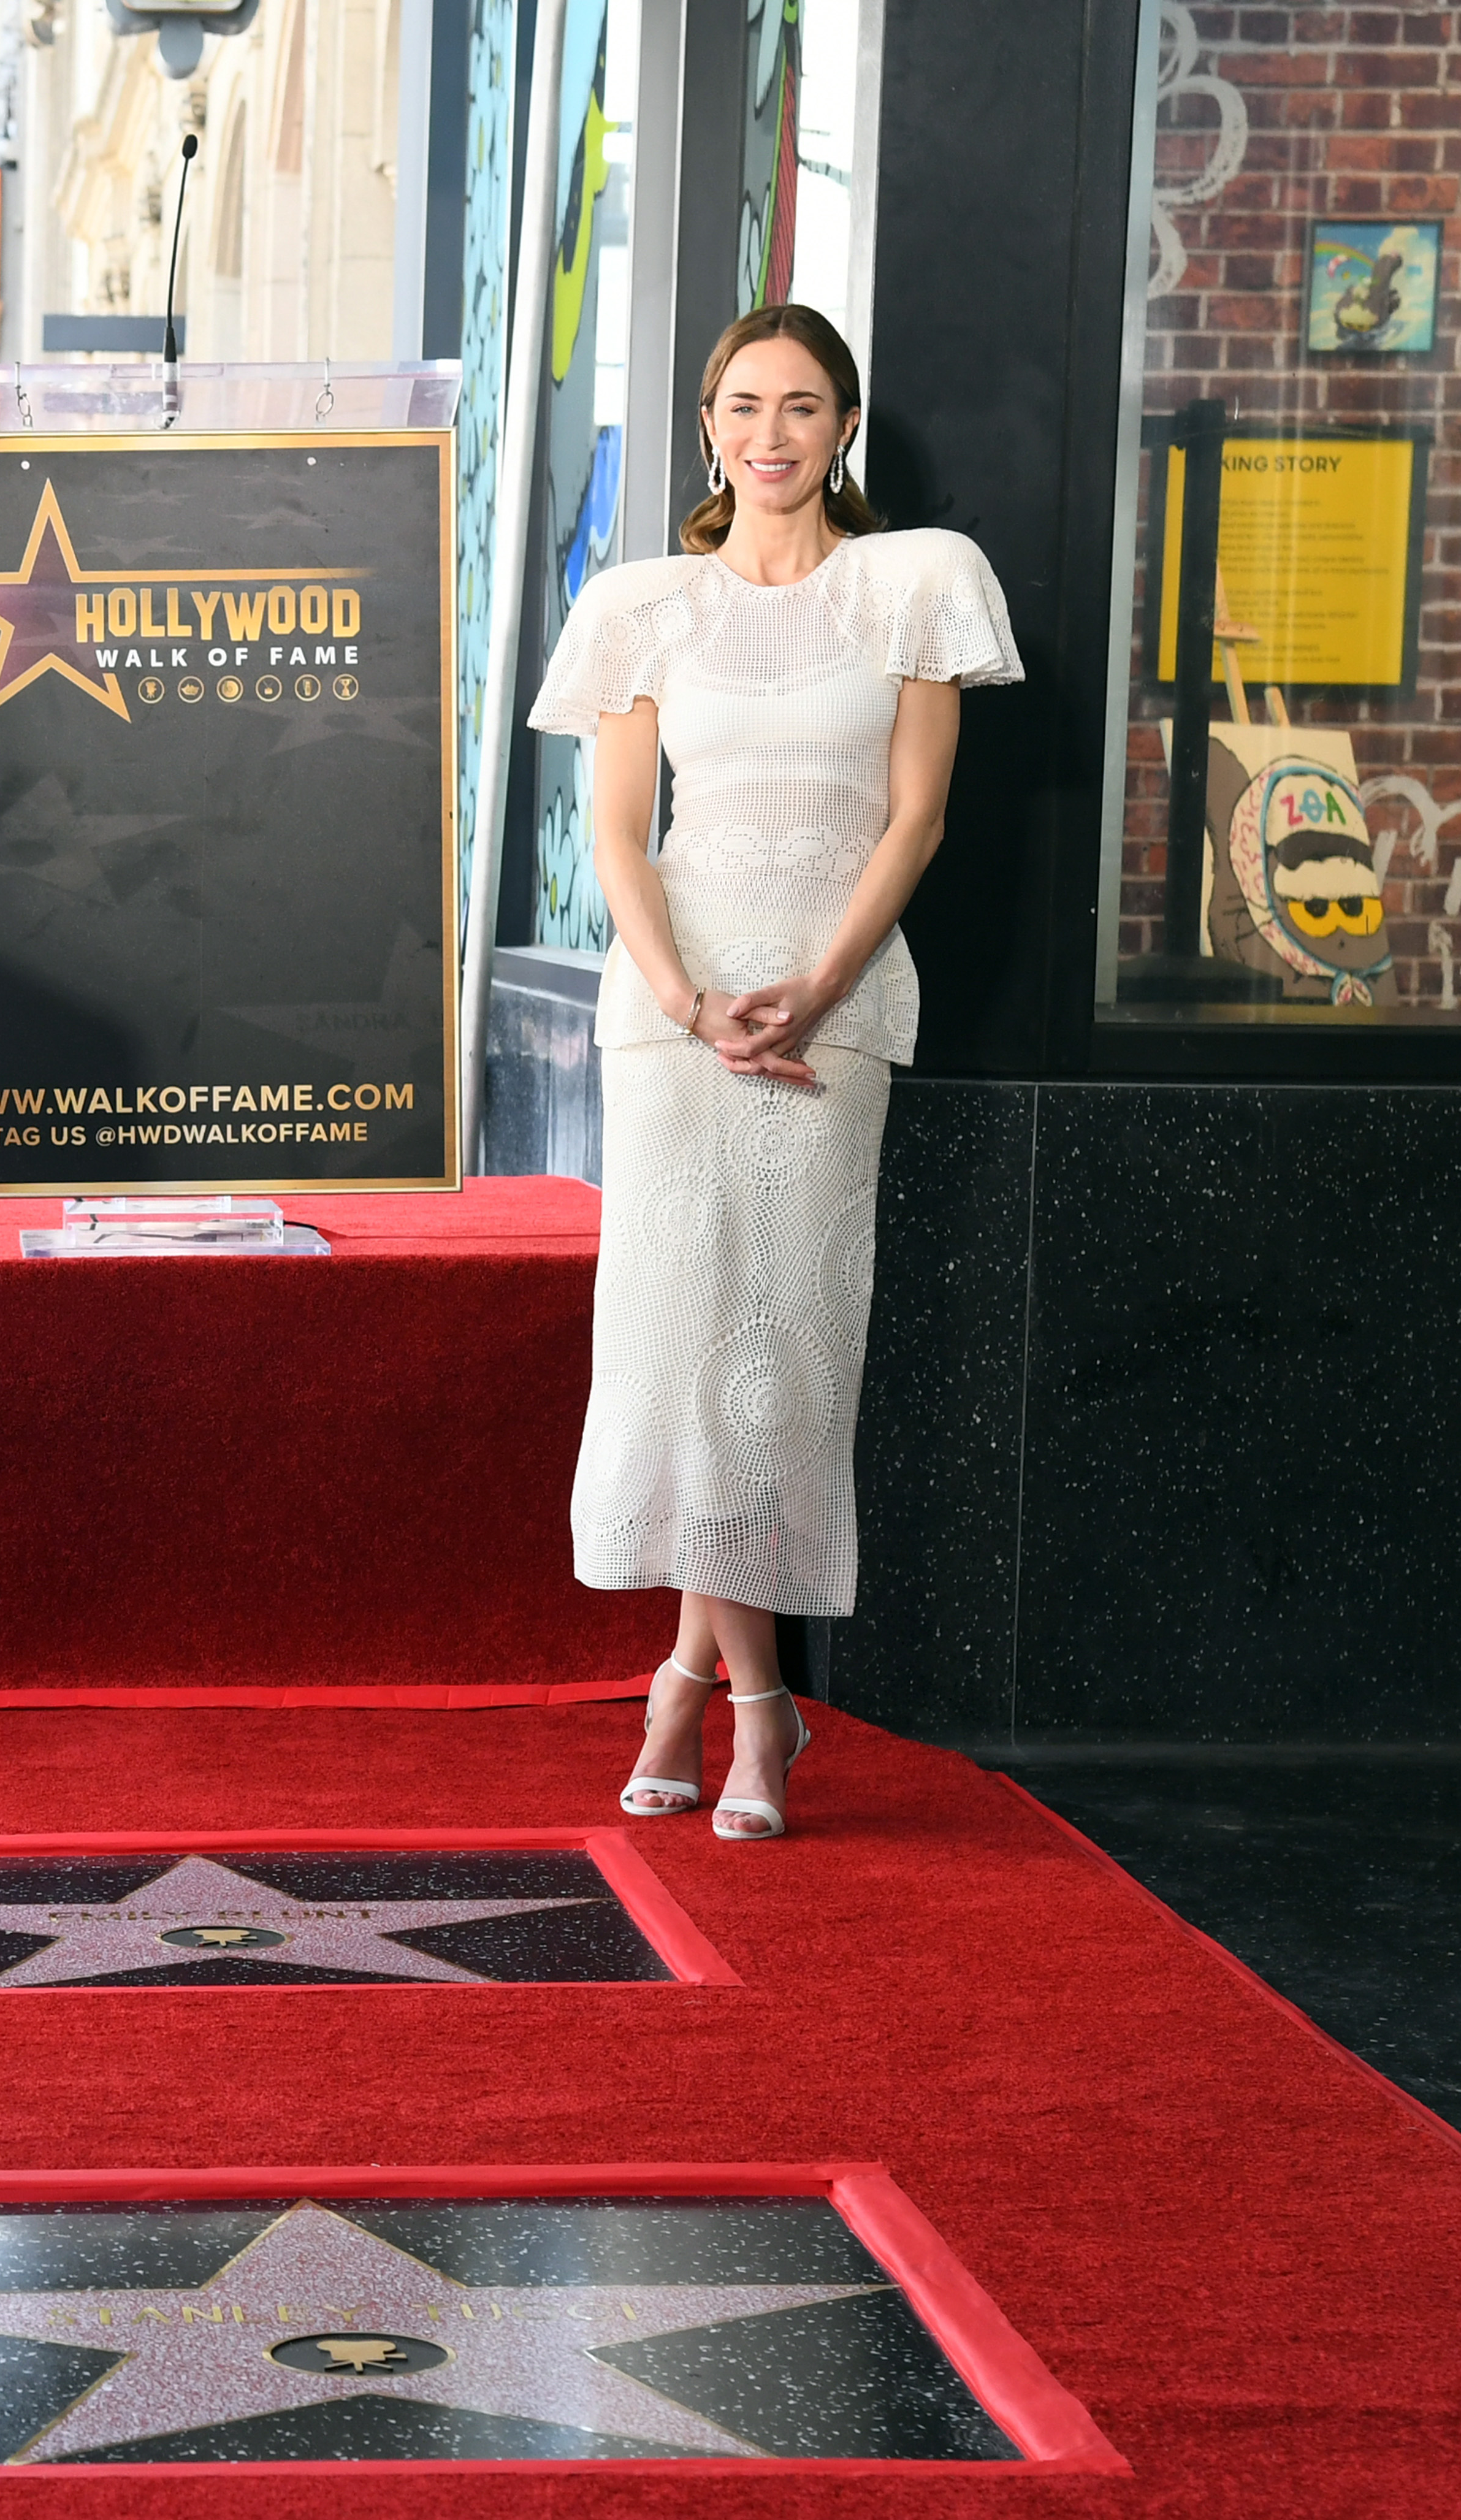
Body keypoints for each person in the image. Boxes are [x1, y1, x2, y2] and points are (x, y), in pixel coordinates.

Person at [528, 304, 1020, 1842]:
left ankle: (696, 1689)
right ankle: (754, 1703)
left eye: (803, 405)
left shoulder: (914, 584)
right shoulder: (640, 603)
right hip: (672, 1015)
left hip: (835, 996)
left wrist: (815, 986)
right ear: (706, 423)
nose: (772, 432)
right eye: (745, 403)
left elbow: (914, 823)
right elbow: (619, 832)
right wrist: (685, 998)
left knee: (780, 1358)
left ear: (844, 425)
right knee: (681, 1355)